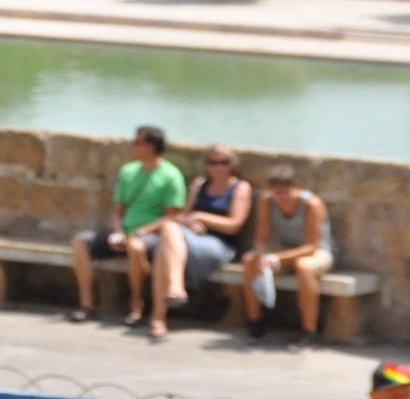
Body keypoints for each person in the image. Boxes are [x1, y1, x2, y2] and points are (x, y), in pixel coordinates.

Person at [66, 125, 185, 324]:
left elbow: (172, 217)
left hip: (150, 234)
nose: (132, 146)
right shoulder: (128, 171)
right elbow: (117, 211)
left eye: (137, 142)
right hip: (125, 231)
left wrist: (141, 231)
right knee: (80, 242)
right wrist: (118, 232)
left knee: (135, 247)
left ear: (151, 147)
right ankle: (87, 304)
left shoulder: (171, 176)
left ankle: (136, 303)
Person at [139, 143, 253, 339]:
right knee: (167, 234)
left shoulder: (240, 188)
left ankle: (160, 315)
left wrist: (201, 217)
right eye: (214, 162)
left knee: (164, 250)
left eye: (224, 163)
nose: (219, 167)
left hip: (219, 244)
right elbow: (183, 217)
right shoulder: (200, 185)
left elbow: (234, 224)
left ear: (232, 165)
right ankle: (172, 295)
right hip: (190, 238)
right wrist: (190, 223)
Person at [242, 164, 337, 351]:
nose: (282, 198)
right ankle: (255, 323)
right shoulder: (267, 202)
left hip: (318, 251)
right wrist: (262, 256)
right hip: (284, 249)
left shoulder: (312, 204)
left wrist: (277, 258)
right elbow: (261, 238)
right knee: (250, 260)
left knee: (304, 267)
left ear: (296, 187)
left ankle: (309, 332)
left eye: (286, 192)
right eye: (277, 193)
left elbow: (312, 246)